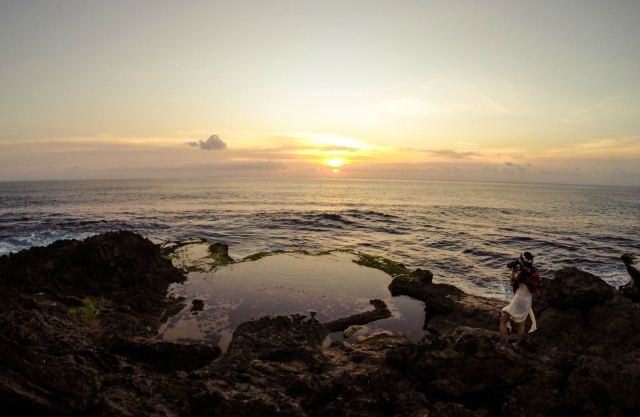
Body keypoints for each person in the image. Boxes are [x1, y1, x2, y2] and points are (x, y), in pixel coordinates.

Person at [499, 251, 538, 350]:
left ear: (522, 260)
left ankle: (502, 345)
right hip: (527, 301)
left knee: (503, 319)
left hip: (519, 299)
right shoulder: (535, 272)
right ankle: (516, 345)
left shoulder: (522, 274)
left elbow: (513, 283)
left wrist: (513, 271)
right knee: (522, 324)